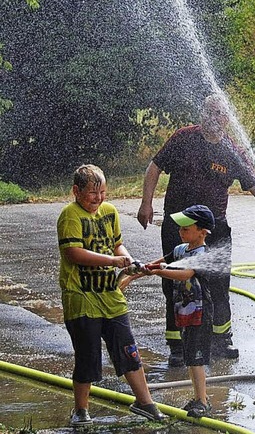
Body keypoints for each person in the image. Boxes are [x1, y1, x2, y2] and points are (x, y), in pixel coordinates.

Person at [137, 94, 255, 366]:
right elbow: (154, 168)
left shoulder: (232, 151)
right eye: (210, 112)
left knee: (219, 284)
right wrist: (146, 203)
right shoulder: (183, 138)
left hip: (214, 230)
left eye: (220, 113)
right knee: (175, 282)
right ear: (202, 113)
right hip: (179, 226)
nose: (215, 118)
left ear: (227, 119)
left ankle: (222, 339)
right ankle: (177, 344)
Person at [57, 164, 166, 427]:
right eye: (93, 193)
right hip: (81, 297)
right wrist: (113, 260)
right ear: (76, 191)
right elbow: (73, 253)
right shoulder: (70, 215)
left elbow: (117, 244)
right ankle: (81, 410)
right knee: (88, 355)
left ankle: (145, 403)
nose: (99, 199)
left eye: (103, 192)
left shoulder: (109, 212)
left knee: (128, 349)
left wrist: (126, 258)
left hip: (111, 295)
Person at [144, 205, 218, 418]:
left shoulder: (203, 254)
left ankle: (203, 401)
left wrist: (158, 272)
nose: (180, 231)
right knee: (189, 357)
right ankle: (197, 398)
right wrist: (142, 269)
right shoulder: (180, 250)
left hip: (200, 313)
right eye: (181, 227)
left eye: (186, 228)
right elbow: (161, 261)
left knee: (197, 359)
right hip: (184, 312)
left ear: (202, 232)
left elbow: (185, 274)